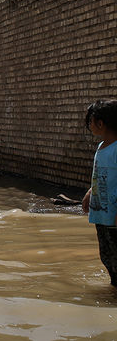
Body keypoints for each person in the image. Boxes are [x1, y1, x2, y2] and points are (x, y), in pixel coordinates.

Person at [82, 100, 117, 286]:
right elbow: (101, 175)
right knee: (106, 256)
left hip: (114, 216)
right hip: (102, 215)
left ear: (101, 123)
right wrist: (90, 192)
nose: (90, 126)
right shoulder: (102, 147)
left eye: (91, 122)